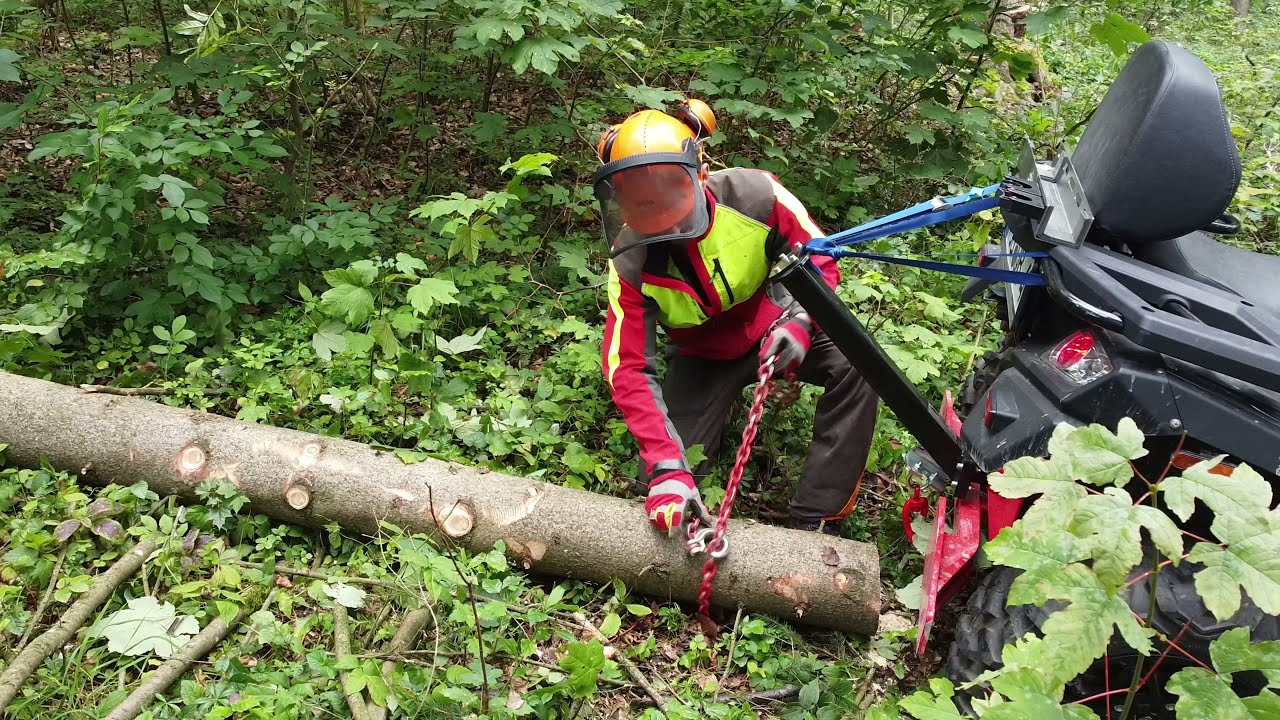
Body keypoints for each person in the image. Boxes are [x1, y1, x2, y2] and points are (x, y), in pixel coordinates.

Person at [592, 99, 880, 537]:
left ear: (700, 173)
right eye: (646, 211)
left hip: (774, 326)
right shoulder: (630, 260)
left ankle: (817, 517)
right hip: (700, 357)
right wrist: (667, 465)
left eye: (671, 205)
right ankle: (699, 435)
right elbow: (627, 365)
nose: (664, 226)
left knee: (859, 361)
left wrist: (803, 321)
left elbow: (819, 258)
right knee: (662, 486)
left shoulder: (757, 196)